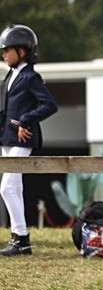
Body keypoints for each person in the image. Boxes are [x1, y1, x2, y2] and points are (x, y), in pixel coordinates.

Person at [0, 25, 58, 256]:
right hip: (6, 138)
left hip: (22, 139)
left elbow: (49, 105)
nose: (3, 54)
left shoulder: (31, 77)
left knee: (6, 188)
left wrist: (25, 119)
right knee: (15, 187)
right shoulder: (10, 75)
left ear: (22, 51)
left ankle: (21, 238)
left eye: (7, 50)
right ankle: (20, 241)